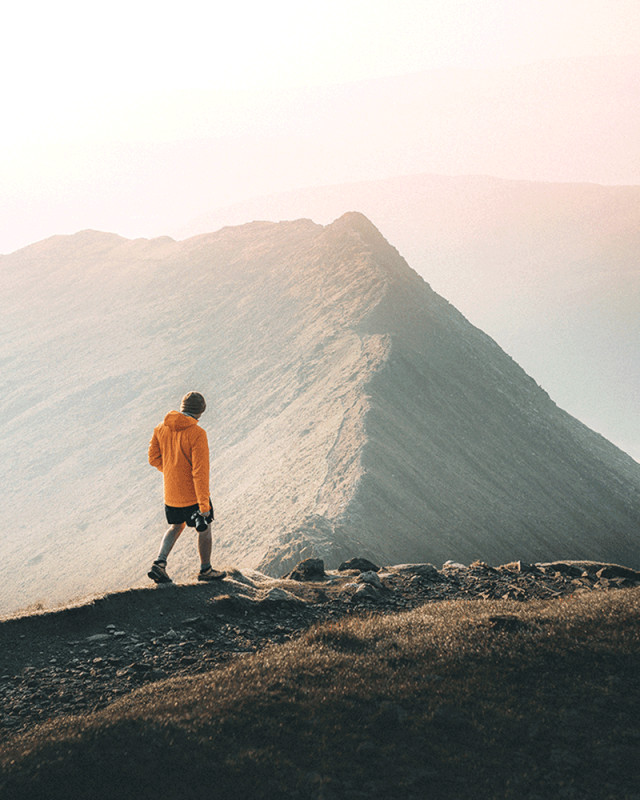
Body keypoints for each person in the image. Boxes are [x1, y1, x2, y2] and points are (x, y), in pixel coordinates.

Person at [147, 391, 226, 583]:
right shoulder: (197, 434)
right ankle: (206, 570)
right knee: (204, 528)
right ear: (201, 411)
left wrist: (173, 473)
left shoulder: (160, 428)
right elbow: (200, 472)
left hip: (171, 494)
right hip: (192, 495)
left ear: (182, 407)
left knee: (176, 526)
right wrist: (204, 505)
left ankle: (160, 563)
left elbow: (153, 459)